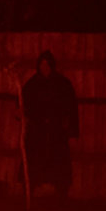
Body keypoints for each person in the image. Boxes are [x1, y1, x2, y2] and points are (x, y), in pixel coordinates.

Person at [22, 50, 79, 198]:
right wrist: (21, 114)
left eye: (47, 65)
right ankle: (30, 192)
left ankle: (62, 194)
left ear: (52, 66)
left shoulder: (63, 84)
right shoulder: (32, 85)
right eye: (42, 65)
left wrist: (71, 131)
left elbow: (71, 108)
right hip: (37, 131)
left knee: (58, 163)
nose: (44, 67)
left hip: (56, 131)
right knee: (35, 161)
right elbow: (24, 107)